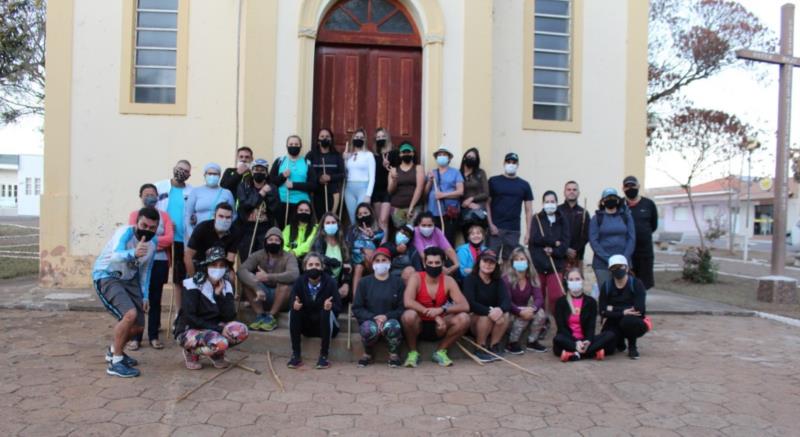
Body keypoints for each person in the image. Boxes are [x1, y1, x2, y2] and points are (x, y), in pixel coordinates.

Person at [92, 208, 159, 378]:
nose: (148, 230)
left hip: (130, 279)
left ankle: (114, 349)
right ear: (136, 222)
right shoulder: (124, 233)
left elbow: (146, 270)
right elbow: (115, 255)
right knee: (129, 315)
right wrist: (133, 253)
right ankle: (116, 362)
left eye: (153, 228)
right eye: (144, 225)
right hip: (108, 275)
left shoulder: (153, 244)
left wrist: (144, 295)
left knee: (138, 327)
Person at [174, 247, 249, 370]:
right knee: (221, 342)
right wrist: (219, 328)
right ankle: (191, 351)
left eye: (221, 265)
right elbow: (190, 317)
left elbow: (230, 316)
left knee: (241, 330)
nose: (218, 269)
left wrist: (218, 296)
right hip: (189, 330)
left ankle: (216, 352)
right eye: (214, 265)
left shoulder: (227, 285)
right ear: (206, 266)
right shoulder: (192, 284)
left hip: (213, 329)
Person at [401, 247, 471, 367]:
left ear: (443, 263)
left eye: (437, 263)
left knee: (464, 318)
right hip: (419, 324)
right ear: (424, 263)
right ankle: (413, 352)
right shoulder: (416, 277)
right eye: (430, 263)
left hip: (441, 326)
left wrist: (442, 310)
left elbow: (465, 305)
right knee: (408, 315)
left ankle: (440, 352)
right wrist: (433, 315)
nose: (434, 266)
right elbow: (408, 302)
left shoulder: (448, 280)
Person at [127, 184, 174, 351]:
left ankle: (153, 336)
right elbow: (134, 236)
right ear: (140, 196)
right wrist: (155, 239)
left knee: (155, 299)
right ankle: (135, 337)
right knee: (138, 299)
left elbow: (169, 238)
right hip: (139, 262)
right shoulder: (135, 215)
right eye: (146, 194)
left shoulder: (165, 216)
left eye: (153, 194)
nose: (150, 197)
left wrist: (152, 242)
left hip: (160, 262)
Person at [287, 252, 343, 369]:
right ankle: (296, 355)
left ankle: (324, 356)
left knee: (325, 310)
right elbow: (292, 301)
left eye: (317, 265)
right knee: (294, 312)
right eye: (310, 264)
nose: (314, 267)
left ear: (322, 267)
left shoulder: (330, 282)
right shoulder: (299, 282)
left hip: (326, 326)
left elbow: (338, 307)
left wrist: (330, 306)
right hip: (307, 327)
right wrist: (294, 304)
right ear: (305, 267)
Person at [238, 227, 300, 332]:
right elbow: (242, 270)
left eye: (277, 240)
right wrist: (256, 287)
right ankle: (260, 315)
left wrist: (268, 277)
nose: (273, 242)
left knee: (285, 286)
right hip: (262, 295)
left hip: (282, 299)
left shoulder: (289, 256)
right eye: (270, 240)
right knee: (247, 283)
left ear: (281, 242)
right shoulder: (258, 254)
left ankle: (271, 317)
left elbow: (294, 274)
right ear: (265, 241)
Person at [352, 248, 405, 367]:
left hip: (390, 320)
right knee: (367, 329)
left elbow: (401, 308)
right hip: (370, 320)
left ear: (390, 262)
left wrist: (386, 317)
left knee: (393, 326)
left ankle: (393, 355)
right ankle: (368, 354)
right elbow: (357, 308)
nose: (381, 263)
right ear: (372, 264)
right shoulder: (364, 283)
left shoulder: (398, 282)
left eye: (384, 260)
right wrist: (374, 317)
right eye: (377, 260)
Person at [553, 268, 616, 362]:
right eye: (571, 280)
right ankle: (593, 352)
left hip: (585, 340)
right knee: (558, 339)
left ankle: (575, 354)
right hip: (569, 339)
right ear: (567, 282)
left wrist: (587, 341)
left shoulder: (591, 302)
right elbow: (561, 328)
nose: (574, 282)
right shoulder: (560, 302)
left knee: (610, 335)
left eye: (577, 279)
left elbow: (591, 326)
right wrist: (575, 342)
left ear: (582, 280)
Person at [155, 159, 193, 310]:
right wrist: (163, 224)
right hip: (161, 239)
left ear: (189, 175)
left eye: (185, 171)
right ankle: (154, 316)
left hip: (180, 240)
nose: (181, 172)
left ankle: (179, 313)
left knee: (179, 278)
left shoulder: (191, 191)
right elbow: (151, 210)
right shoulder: (159, 187)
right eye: (179, 169)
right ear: (174, 168)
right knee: (157, 279)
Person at [462, 249, 510, 362]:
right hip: (475, 318)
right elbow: (470, 303)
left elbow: (506, 300)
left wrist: (500, 310)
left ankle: (494, 346)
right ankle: (480, 348)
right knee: (485, 317)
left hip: (493, 318)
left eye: (491, 262)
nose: (488, 265)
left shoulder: (498, 281)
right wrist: (489, 311)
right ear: (479, 262)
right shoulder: (470, 279)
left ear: (495, 265)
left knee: (506, 315)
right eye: (485, 261)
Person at [598, 255, 650, 360]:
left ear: (626, 268)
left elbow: (639, 309)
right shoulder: (607, 286)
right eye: (613, 268)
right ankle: (619, 342)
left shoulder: (636, 284)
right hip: (614, 321)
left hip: (634, 322)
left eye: (620, 267)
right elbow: (602, 310)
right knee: (607, 348)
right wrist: (623, 311)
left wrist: (612, 308)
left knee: (628, 321)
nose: (617, 270)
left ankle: (632, 347)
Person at [529, 190, 570, 316]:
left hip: (556, 265)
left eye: (552, 201)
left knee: (555, 296)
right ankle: (541, 323)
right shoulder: (537, 218)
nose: (550, 204)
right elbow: (534, 239)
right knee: (539, 297)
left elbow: (565, 242)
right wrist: (553, 242)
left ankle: (556, 321)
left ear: (557, 203)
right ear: (543, 203)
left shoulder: (563, 219)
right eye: (547, 202)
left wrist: (554, 251)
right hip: (539, 264)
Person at [487, 152, 534, 260]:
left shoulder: (524, 185)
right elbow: (487, 204)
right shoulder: (494, 181)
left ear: (518, 165)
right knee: (490, 258)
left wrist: (528, 232)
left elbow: (529, 210)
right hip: (495, 228)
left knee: (510, 261)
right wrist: (490, 224)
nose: (511, 164)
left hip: (513, 230)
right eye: (508, 162)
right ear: (504, 163)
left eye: (514, 162)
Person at [503, 247, 548, 354]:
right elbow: (507, 301)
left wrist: (533, 309)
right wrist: (520, 312)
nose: (520, 262)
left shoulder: (532, 277)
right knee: (524, 316)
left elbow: (539, 298)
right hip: (509, 312)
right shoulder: (506, 278)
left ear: (528, 261)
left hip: (524, 310)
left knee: (541, 313)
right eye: (517, 259)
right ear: (512, 262)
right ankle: (512, 343)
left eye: (522, 259)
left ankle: (532, 341)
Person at [269, 135, 318, 229]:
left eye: (296, 144)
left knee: (299, 229)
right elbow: (271, 182)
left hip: (301, 204)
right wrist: (282, 176)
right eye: (291, 144)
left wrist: (294, 185)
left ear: (300, 146)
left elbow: (313, 185)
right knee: (283, 229)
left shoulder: (306, 162)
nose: (293, 146)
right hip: (282, 201)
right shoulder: (280, 161)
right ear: (287, 146)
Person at [589, 188, 636, 286]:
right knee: (606, 293)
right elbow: (593, 241)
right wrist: (609, 259)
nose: (611, 200)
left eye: (613, 197)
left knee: (623, 294)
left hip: (623, 262)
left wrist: (623, 258)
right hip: (602, 264)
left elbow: (631, 238)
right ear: (602, 201)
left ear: (618, 200)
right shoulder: (596, 218)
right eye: (608, 198)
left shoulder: (626, 216)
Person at [235, 158, 276, 263]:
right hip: (246, 229)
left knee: (262, 261)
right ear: (252, 171)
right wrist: (261, 193)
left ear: (266, 173)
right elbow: (245, 205)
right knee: (247, 260)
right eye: (256, 169)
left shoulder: (272, 188)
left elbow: (274, 208)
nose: (259, 172)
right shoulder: (244, 186)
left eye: (262, 170)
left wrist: (267, 195)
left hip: (264, 229)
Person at [185, 203, 239, 278]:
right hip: (200, 264)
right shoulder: (202, 228)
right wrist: (193, 278)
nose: (224, 220)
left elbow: (230, 260)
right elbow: (188, 256)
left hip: (220, 265)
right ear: (214, 216)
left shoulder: (234, 232)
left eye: (228, 217)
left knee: (231, 276)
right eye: (221, 216)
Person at [623, 175, 658, 290]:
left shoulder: (649, 204)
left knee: (644, 284)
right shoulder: (619, 205)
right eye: (627, 186)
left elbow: (653, 226)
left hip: (644, 252)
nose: (630, 188)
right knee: (626, 283)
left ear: (638, 186)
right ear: (623, 188)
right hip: (626, 252)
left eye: (632, 185)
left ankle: (640, 305)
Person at [424, 145, 464, 246]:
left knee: (448, 240)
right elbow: (425, 193)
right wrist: (429, 180)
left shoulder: (455, 172)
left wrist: (443, 195)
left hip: (449, 212)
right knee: (434, 240)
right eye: (439, 155)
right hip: (434, 211)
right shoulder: (432, 172)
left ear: (449, 158)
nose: (441, 156)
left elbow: (460, 191)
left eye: (444, 154)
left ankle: (449, 261)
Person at [185, 163, 235, 240]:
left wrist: (225, 228)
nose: (212, 176)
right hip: (198, 233)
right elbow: (188, 214)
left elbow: (233, 215)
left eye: (215, 174)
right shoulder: (196, 191)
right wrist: (191, 233)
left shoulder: (226, 193)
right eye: (210, 173)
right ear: (205, 175)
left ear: (219, 176)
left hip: (219, 235)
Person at [346, 203, 384, 299]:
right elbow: (348, 246)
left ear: (371, 213)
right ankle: (356, 301)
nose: (363, 216)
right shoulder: (352, 230)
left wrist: (371, 236)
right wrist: (362, 250)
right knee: (359, 267)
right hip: (356, 260)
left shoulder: (378, 230)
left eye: (365, 213)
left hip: (372, 261)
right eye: (360, 214)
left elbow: (378, 239)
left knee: (371, 254)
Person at [311, 212, 352, 299]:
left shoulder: (344, 244)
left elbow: (348, 265)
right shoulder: (319, 241)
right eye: (328, 223)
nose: (331, 225)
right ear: (323, 226)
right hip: (321, 281)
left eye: (333, 223)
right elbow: (319, 258)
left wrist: (346, 284)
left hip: (339, 282)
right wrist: (335, 262)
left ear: (338, 225)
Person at [307, 128, 345, 220]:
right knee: (319, 220)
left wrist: (330, 177)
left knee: (331, 219)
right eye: (322, 136)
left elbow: (342, 174)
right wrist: (319, 178)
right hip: (316, 193)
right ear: (318, 140)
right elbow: (307, 172)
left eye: (327, 136)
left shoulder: (337, 156)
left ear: (331, 139)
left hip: (333, 194)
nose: (325, 138)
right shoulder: (311, 155)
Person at [388, 142, 424, 229]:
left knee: (413, 232)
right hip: (397, 207)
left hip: (415, 207)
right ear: (400, 154)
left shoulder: (418, 168)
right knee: (401, 235)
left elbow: (419, 188)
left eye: (408, 152)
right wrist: (394, 179)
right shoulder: (393, 170)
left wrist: (411, 207)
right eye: (404, 152)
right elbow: (390, 191)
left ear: (412, 153)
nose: (406, 154)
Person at [343, 128, 376, 224]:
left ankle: (364, 238)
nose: (359, 139)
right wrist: (345, 159)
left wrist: (368, 195)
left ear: (365, 140)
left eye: (361, 137)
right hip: (349, 189)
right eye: (357, 137)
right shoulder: (349, 155)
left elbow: (372, 177)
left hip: (363, 188)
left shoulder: (369, 155)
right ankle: (355, 238)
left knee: (362, 218)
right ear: (353, 139)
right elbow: (346, 172)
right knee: (353, 218)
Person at [413, 212, 460, 277]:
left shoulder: (437, 231)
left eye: (429, 225)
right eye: (423, 225)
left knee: (450, 263)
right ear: (418, 224)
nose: (426, 228)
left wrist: (456, 265)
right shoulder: (415, 231)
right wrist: (438, 267)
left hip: (437, 260)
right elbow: (422, 254)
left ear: (434, 224)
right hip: (422, 263)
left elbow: (448, 249)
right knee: (417, 256)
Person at [558, 180, 590, 272]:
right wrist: (565, 249)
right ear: (564, 192)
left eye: (574, 189)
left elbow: (586, 235)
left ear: (578, 193)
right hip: (560, 256)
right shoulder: (557, 211)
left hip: (578, 257)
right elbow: (554, 233)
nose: (571, 191)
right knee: (560, 285)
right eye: (569, 189)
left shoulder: (584, 212)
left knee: (576, 284)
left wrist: (574, 250)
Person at [459, 147, 490, 240]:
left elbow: (486, 193)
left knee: (478, 238)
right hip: (463, 211)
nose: (471, 159)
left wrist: (471, 199)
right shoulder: (457, 173)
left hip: (478, 211)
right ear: (464, 157)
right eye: (469, 156)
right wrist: (466, 203)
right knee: (467, 238)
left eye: (473, 157)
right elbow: (455, 191)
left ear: (477, 160)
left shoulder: (480, 173)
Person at [372, 128, 393, 240]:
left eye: (382, 137)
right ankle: (378, 246)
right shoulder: (374, 156)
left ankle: (383, 247)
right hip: (376, 191)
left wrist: (388, 165)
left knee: (384, 220)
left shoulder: (393, 154)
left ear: (387, 138)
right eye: (378, 137)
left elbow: (396, 172)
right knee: (378, 221)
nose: (380, 139)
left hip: (387, 191)